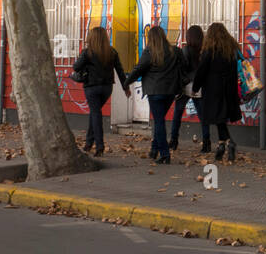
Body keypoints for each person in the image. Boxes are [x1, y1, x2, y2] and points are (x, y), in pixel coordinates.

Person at [126, 24, 184, 165]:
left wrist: (126, 82)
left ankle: (164, 154)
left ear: (150, 38)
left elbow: (138, 69)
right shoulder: (175, 51)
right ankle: (154, 150)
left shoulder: (150, 52)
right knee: (159, 121)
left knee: (159, 122)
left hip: (154, 92)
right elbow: (184, 67)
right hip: (170, 91)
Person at [72, 26, 129, 157]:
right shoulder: (112, 52)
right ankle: (88, 143)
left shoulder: (88, 53)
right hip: (107, 88)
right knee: (94, 113)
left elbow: (76, 67)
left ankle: (99, 146)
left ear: (91, 38)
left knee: (95, 114)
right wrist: (125, 88)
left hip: (91, 87)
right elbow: (120, 71)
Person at [193, 22, 242, 163]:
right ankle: (221, 146)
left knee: (218, 119)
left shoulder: (210, 51)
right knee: (221, 119)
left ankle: (229, 142)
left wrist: (196, 87)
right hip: (229, 90)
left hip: (214, 91)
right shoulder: (231, 50)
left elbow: (202, 71)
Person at [170, 25, 205, 153]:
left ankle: (174, 141)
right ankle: (206, 143)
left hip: (185, 87)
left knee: (177, 113)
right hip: (199, 86)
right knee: (203, 116)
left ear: (188, 37)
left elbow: (182, 69)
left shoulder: (185, 50)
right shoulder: (203, 51)